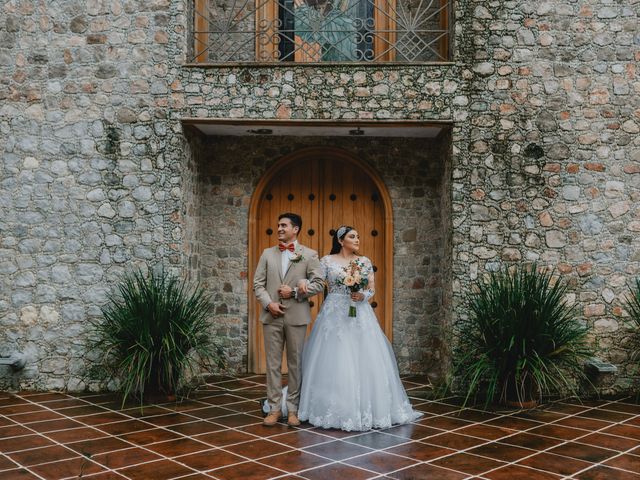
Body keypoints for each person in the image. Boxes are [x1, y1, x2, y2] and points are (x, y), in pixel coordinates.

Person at [295, 225, 422, 431]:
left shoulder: (364, 261)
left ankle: (367, 408)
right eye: (353, 236)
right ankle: (333, 407)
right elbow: (317, 284)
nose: (357, 240)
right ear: (341, 240)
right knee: (334, 358)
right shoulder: (327, 261)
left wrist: (363, 295)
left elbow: (371, 288)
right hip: (334, 314)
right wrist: (300, 286)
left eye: (358, 236)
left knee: (364, 358)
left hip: (359, 313)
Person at [253, 213, 325, 427]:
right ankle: (274, 408)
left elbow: (319, 283)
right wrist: (269, 304)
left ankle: (293, 409)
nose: (279, 229)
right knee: (273, 364)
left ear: (296, 229)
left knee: (295, 364)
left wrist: (294, 292)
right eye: (278, 225)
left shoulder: (309, 255)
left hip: (296, 316)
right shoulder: (267, 254)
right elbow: (258, 284)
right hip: (271, 316)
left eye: (284, 225)